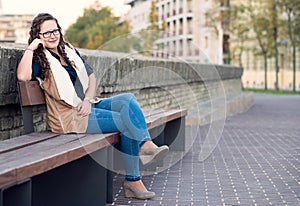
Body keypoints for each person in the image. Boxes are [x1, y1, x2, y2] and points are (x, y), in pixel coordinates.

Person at [17, 13, 169, 200]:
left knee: (127, 100)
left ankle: (145, 145)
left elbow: (91, 78)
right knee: (125, 121)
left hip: (87, 106)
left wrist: (88, 100)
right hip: (69, 116)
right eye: (46, 33)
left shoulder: (68, 51)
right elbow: (23, 76)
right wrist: (31, 48)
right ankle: (134, 178)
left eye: (55, 30)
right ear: (38, 36)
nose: (52, 36)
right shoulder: (41, 60)